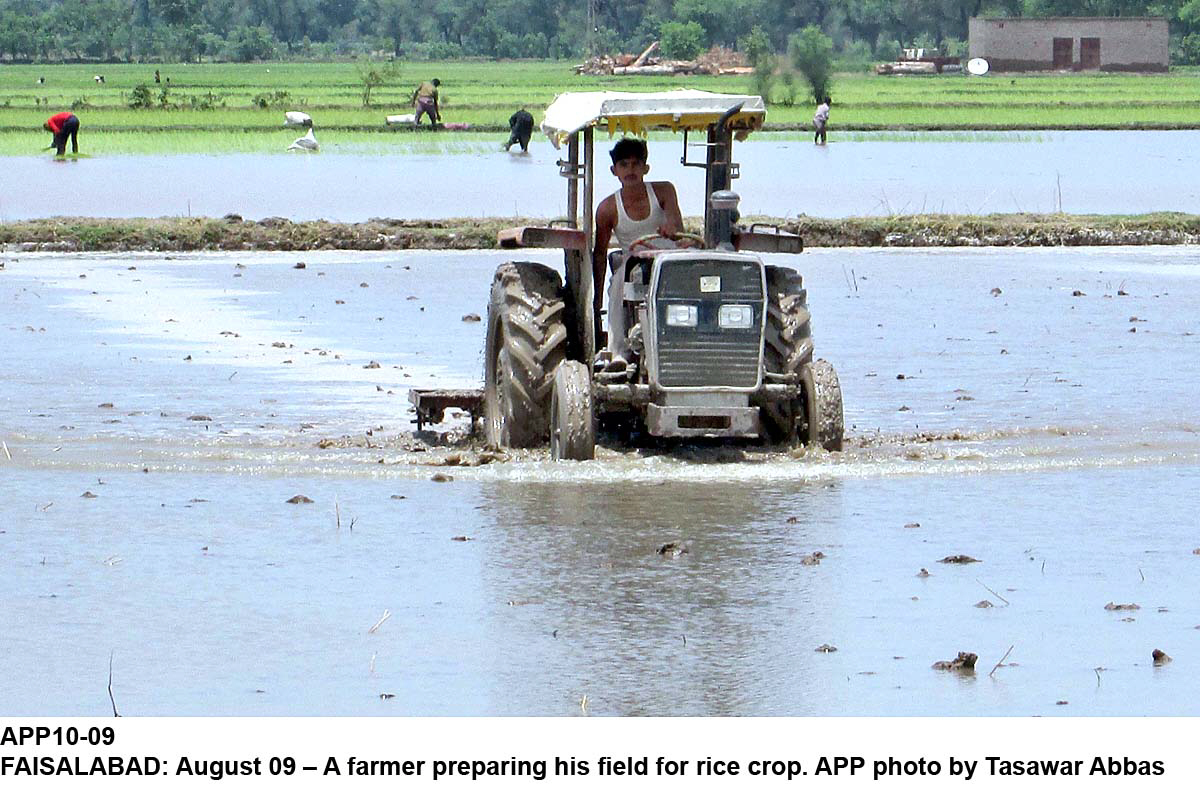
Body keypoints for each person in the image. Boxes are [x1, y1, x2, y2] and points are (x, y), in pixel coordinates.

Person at [591, 137, 684, 371]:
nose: (630, 170)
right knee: (618, 287)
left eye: (635, 164)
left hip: (667, 257)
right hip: (632, 262)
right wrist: (596, 299)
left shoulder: (664, 191)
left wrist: (671, 230)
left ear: (645, 168)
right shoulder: (607, 208)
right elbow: (600, 253)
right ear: (615, 170)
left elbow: (677, 226)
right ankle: (618, 352)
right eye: (624, 165)